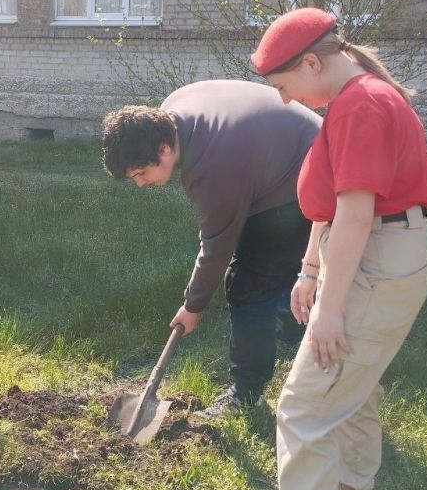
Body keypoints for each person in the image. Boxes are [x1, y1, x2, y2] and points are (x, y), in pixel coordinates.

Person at [219, 8, 427, 490]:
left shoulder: (363, 105)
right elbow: (333, 204)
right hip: (372, 252)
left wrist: (332, 310)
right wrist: (310, 271)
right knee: (352, 390)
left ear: (313, 62)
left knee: (304, 407)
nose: (285, 100)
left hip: (375, 257)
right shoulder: (349, 101)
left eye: (284, 85)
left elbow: (359, 215)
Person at [102, 81, 321, 417]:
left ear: (163, 148)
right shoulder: (173, 111)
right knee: (275, 269)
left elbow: (217, 245)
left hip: (309, 179)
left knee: (248, 286)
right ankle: (297, 333)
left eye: (142, 173)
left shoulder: (213, 167)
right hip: (283, 161)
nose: (141, 183)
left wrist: (193, 306)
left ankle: (246, 396)